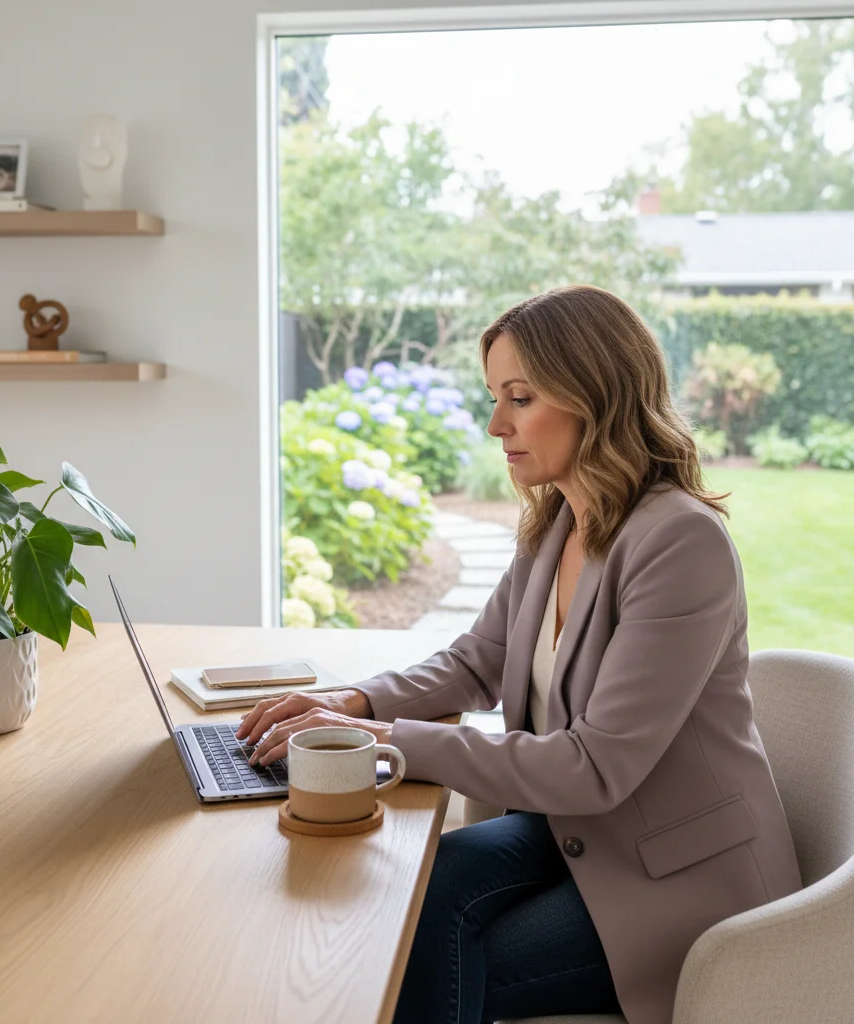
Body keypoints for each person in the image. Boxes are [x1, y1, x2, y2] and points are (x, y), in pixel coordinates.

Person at [237, 285, 802, 1024]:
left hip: (680, 880)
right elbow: (479, 658)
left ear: (594, 394)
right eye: (497, 396)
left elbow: (594, 767)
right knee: (414, 894)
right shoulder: (559, 521)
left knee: (416, 953)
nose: (496, 422)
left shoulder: (679, 542)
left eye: (521, 396)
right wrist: (357, 703)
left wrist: (388, 744)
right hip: (575, 831)